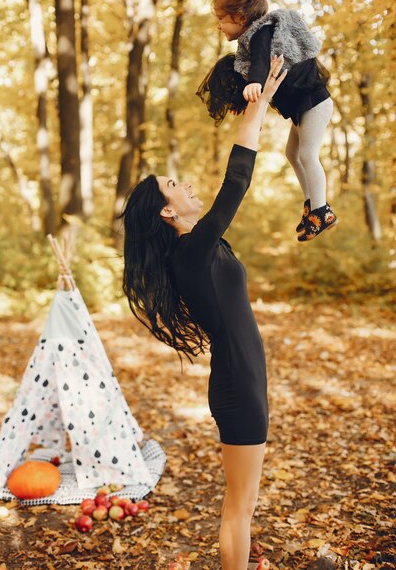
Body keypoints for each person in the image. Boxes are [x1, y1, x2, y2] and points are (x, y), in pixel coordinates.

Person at [120, 56, 287, 570]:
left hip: (245, 378)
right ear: (168, 212)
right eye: (175, 186)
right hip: (238, 385)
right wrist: (254, 113)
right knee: (239, 508)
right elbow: (235, 183)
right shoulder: (190, 251)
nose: (185, 184)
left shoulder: (198, 249)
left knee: (245, 506)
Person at [197, 0, 339, 242]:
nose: (219, 25)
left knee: (308, 155)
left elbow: (261, 62)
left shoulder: (261, 34)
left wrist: (255, 83)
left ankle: (322, 211)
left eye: (222, 20)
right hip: (305, 108)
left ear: (240, 18)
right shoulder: (251, 40)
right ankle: (311, 204)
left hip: (316, 105)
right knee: (292, 154)